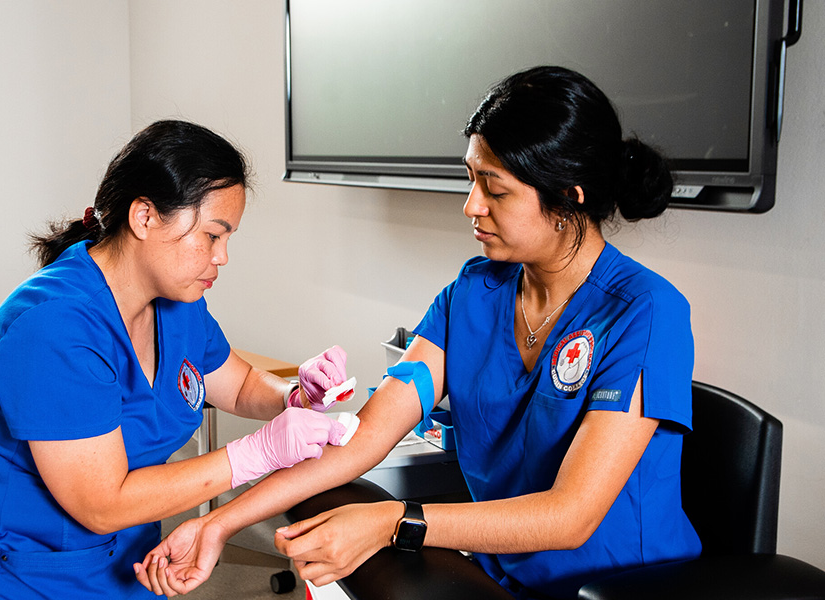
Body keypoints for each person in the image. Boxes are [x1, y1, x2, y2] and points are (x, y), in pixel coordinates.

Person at [137, 67, 702, 599]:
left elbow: (570, 516)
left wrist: (393, 520)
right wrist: (220, 522)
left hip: (620, 588)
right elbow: (366, 437)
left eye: (495, 189)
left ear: (567, 199)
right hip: (502, 577)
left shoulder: (646, 313)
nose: (471, 206)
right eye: (470, 179)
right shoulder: (474, 294)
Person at [0, 120, 351, 600]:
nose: (223, 257)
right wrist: (257, 453)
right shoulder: (53, 329)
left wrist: (294, 395)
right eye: (212, 236)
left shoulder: (178, 303)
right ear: (145, 217)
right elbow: (101, 504)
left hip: (128, 564)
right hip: (22, 576)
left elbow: (237, 384)